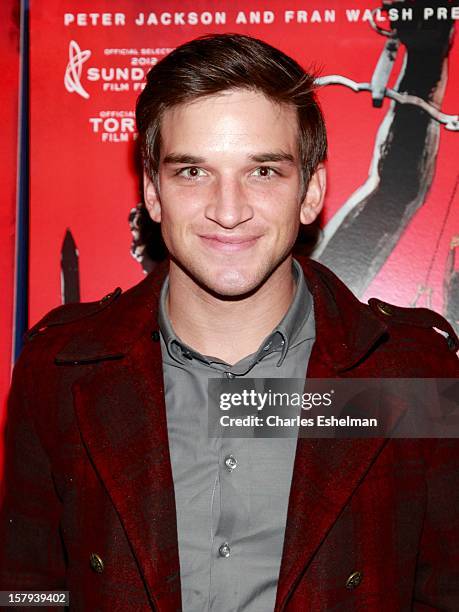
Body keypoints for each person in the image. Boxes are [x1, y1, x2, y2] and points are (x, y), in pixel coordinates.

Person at [0, 33, 458, 612]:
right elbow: (29, 589)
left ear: (310, 191)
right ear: (153, 191)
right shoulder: (61, 372)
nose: (228, 208)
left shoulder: (412, 373)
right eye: (193, 172)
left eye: (263, 172)